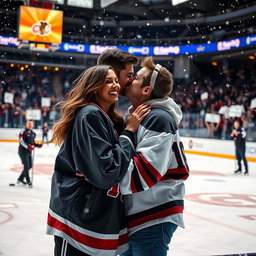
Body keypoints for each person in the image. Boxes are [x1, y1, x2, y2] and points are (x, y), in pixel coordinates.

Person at [46, 65, 150, 256]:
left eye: (116, 81)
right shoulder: (90, 114)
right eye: (108, 81)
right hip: (78, 219)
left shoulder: (104, 117)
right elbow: (107, 172)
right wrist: (128, 133)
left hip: (91, 217)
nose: (116, 85)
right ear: (94, 87)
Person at [118, 57, 189, 256]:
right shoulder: (144, 116)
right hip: (141, 217)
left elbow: (140, 176)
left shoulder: (157, 119)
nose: (130, 79)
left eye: (137, 78)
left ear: (147, 90)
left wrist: (102, 174)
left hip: (152, 218)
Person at [17, 119, 42, 187]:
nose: (30, 125)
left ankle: (20, 178)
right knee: (26, 165)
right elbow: (21, 141)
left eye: (31, 124)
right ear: (26, 124)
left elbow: (32, 143)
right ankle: (28, 181)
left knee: (30, 165)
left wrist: (37, 145)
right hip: (22, 151)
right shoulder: (23, 131)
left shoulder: (33, 133)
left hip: (29, 152)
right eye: (29, 124)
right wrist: (28, 146)